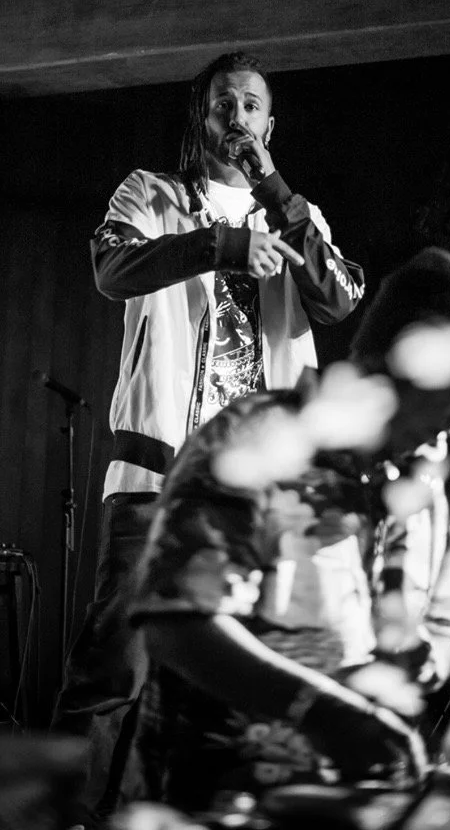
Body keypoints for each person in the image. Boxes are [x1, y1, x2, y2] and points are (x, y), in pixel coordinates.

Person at [51, 51, 365, 823]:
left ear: (269, 124)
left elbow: (339, 298)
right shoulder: (150, 194)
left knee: (255, 674)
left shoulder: (297, 216)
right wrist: (219, 248)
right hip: (157, 480)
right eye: (224, 105)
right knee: (115, 667)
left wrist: (279, 197)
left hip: (259, 497)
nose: (238, 119)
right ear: (203, 118)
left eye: (252, 106)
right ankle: (72, 814)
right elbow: (110, 268)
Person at [117, 246, 450, 818]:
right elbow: (179, 627)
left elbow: (443, 625)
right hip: (207, 805)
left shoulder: (422, 487)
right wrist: (323, 712)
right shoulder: (258, 441)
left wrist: (427, 655)